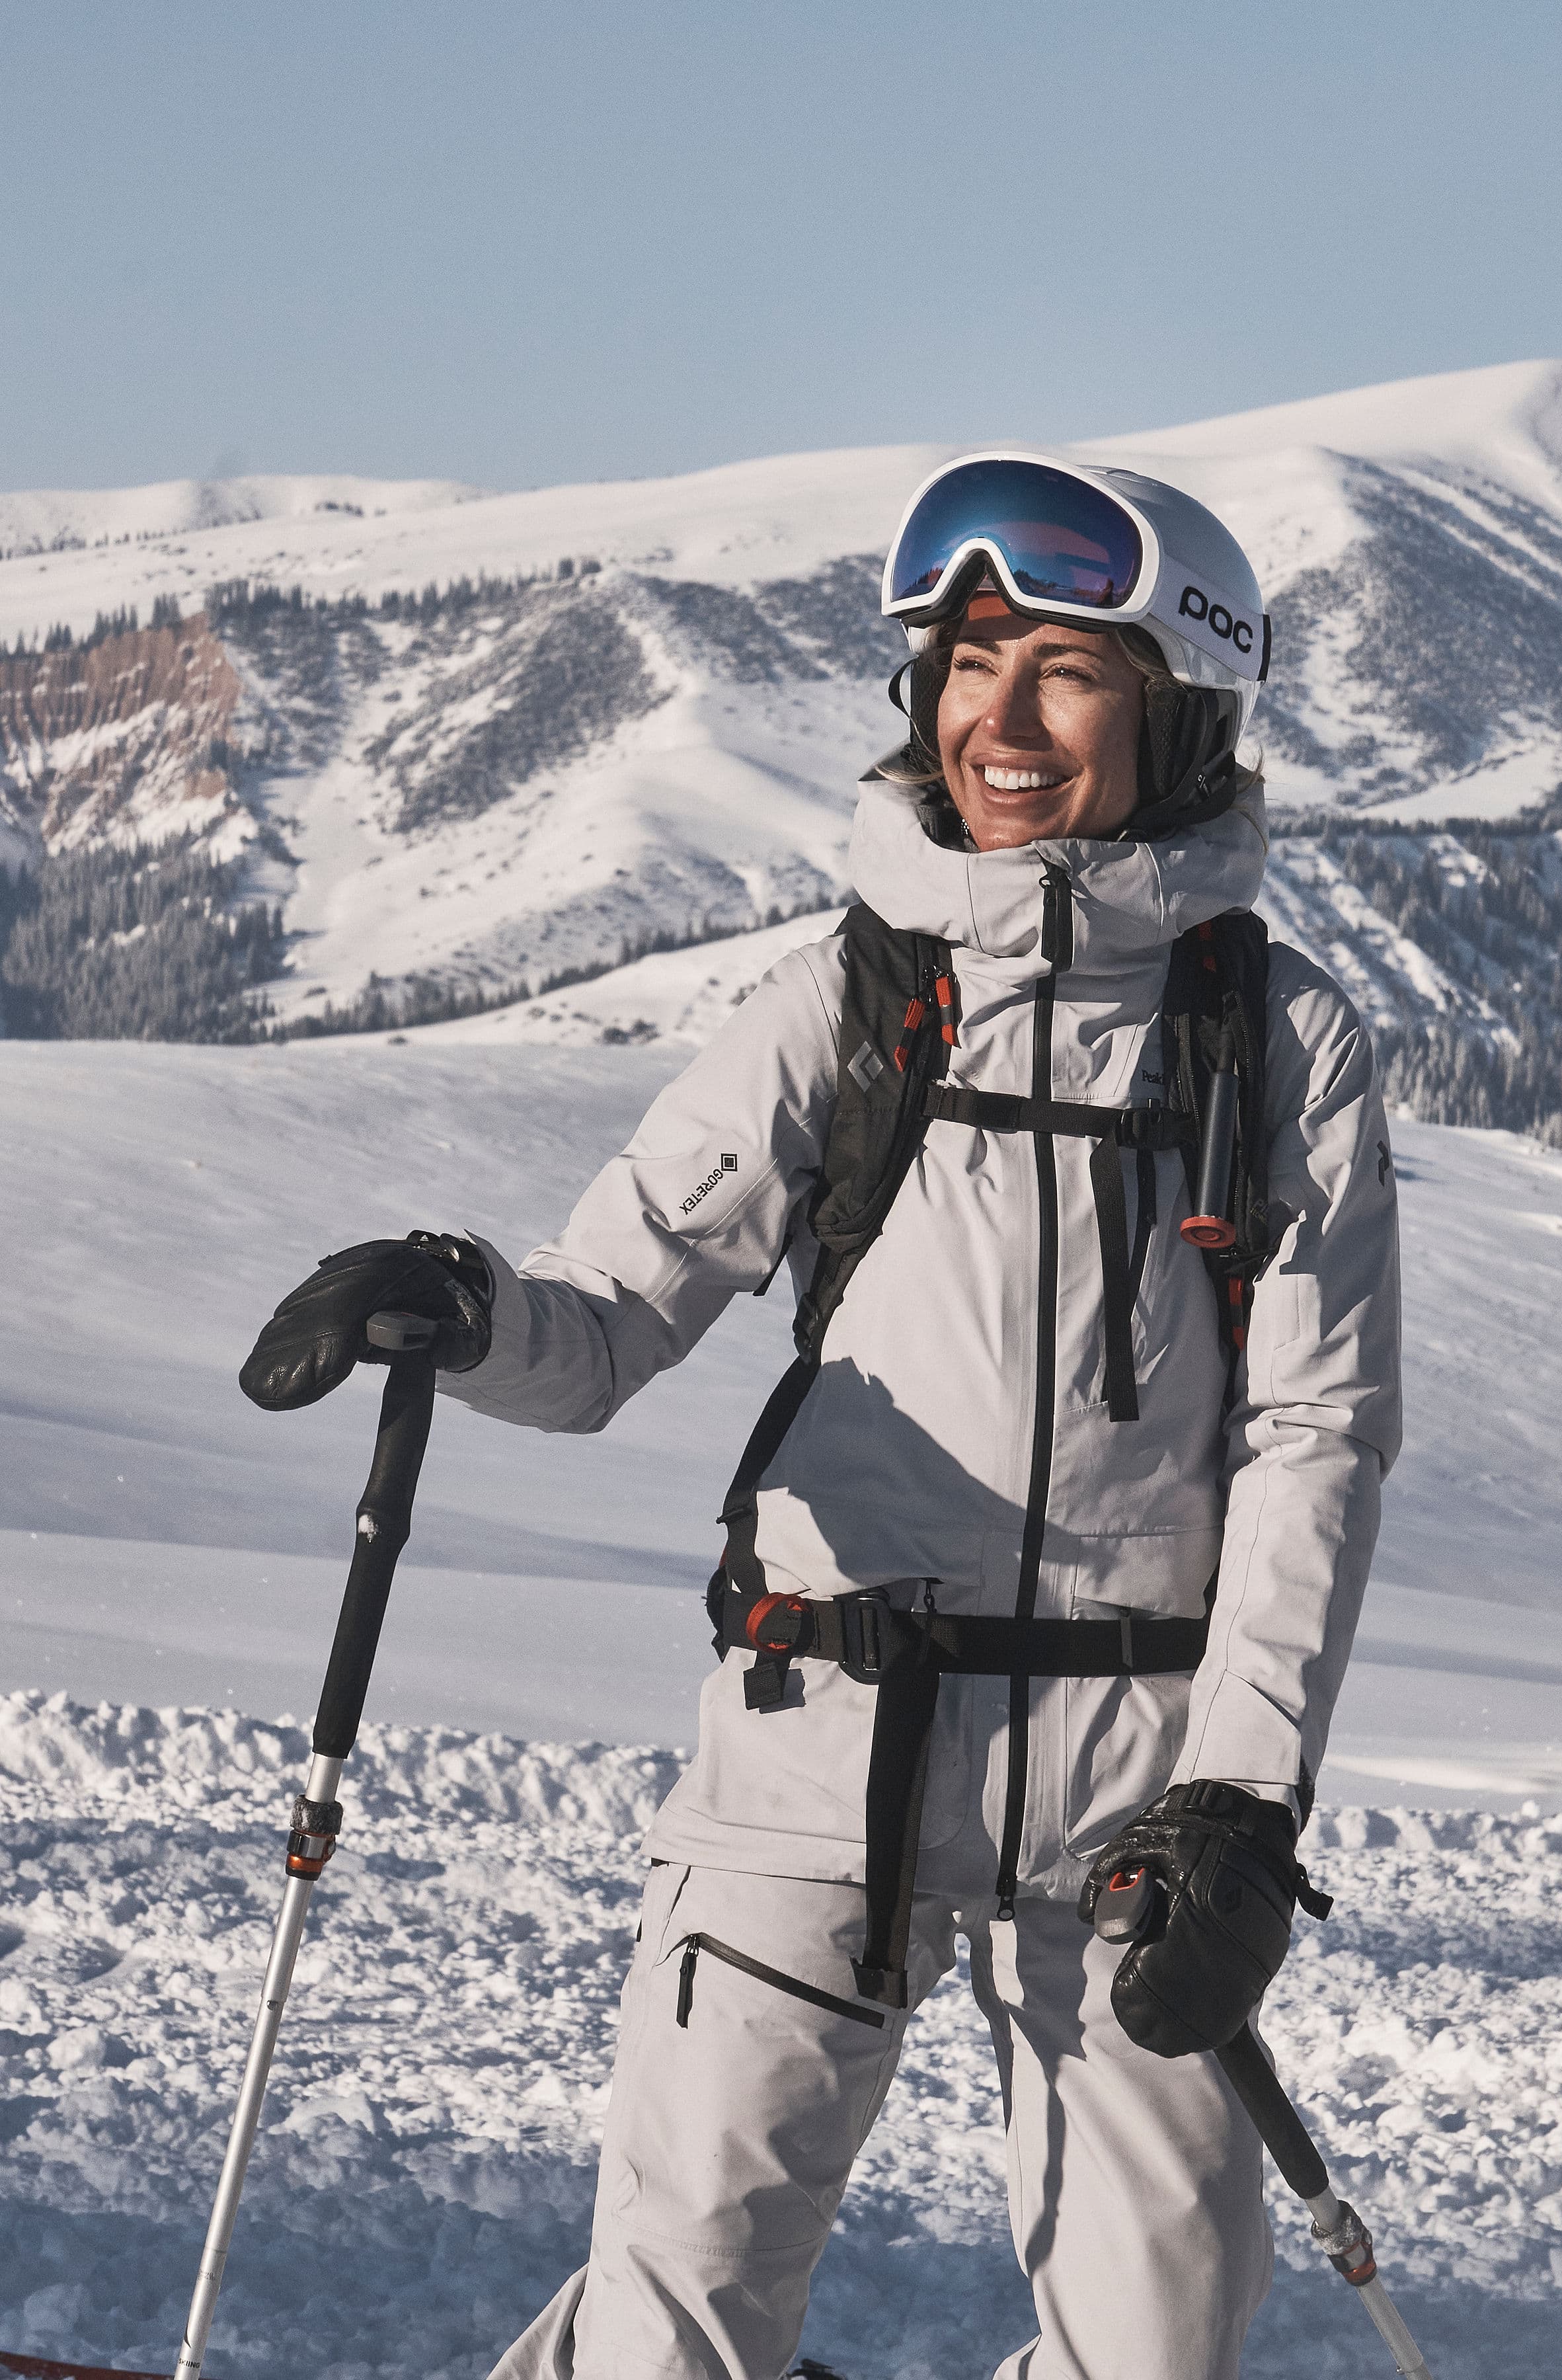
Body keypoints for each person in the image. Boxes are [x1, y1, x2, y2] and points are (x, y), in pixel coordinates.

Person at [242, 452, 1402, 2380]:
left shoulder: (1281, 1046)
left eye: (1063, 670)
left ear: (1176, 706)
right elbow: (605, 1324)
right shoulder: (847, 1004)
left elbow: (1314, 1444)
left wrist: (1245, 1799)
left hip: (1136, 1790)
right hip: (814, 1743)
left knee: (1159, 2346)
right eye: (964, 662)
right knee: (678, 2316)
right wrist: (458, 1312)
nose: (996, 718)